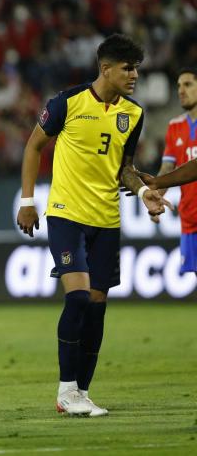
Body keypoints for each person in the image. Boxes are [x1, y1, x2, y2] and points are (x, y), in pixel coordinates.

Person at [16, 34, 168, 416]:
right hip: (67, 213)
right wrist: (27, 201)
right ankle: (66, 391)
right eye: (128, 68)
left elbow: (125, 170)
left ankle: (81, 393)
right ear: (106, 68)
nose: (134, 75)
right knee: (79, 297)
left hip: (107, 218)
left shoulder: (133, 113)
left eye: (136, 68)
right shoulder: (67, 102)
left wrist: (144, 190)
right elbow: (34, 145)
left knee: (97, 308)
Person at [144, 68, 197, 269]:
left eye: (188, 84)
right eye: (178, 86)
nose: (181, 91)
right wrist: (155, 197)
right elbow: (166, 169)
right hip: (190, 218)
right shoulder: (175, 126)